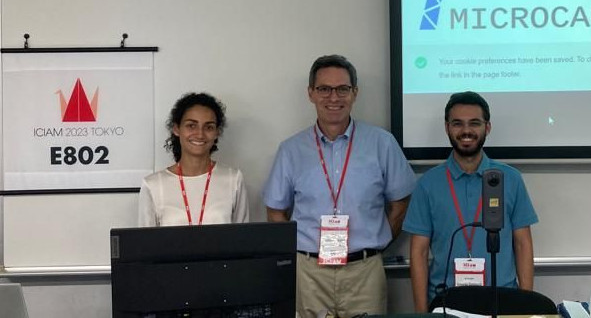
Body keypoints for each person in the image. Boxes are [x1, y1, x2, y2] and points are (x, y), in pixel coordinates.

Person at [263, 54, 416, 318]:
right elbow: (276, 211)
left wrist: (375, 244)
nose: (334, 98)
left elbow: (401, 203)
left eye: (342, 89)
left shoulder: (382, 143)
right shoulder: (291, 150)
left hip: (364, 271)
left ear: (354, 93)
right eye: (324, 89)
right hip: (309, 273)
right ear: (311, 93)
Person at [403, 91, 538, 312]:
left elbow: (523, 245)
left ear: (488, 127)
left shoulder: (510, 179)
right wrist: (421, 312)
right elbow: (418, 252)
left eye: (474, 123)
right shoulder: (428, 183)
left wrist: (526, 305)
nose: (466, 131)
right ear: (447, 128)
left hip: (502, 300)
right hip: (446, 303)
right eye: (458, 124)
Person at [139, 92, 249, 227]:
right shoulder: (153, 185)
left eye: (209, 127)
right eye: (191, 125)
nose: (200, 134)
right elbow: (145, 245)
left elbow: (241, 241)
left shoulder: (233, 179)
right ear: (176, 129)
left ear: (217, 132)